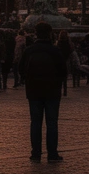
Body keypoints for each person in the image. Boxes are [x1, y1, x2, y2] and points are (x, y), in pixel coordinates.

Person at [21, 22, 66, 161]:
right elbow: (64, 71)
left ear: (35, 33)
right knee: (52, 122)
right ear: (50, 34)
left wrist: (29, 80)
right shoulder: (55, 50)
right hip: (52, 91)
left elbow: (20, 69)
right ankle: (52, 154)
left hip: (34, 91)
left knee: (35, 122)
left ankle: (36, 154)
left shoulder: (29, 50)